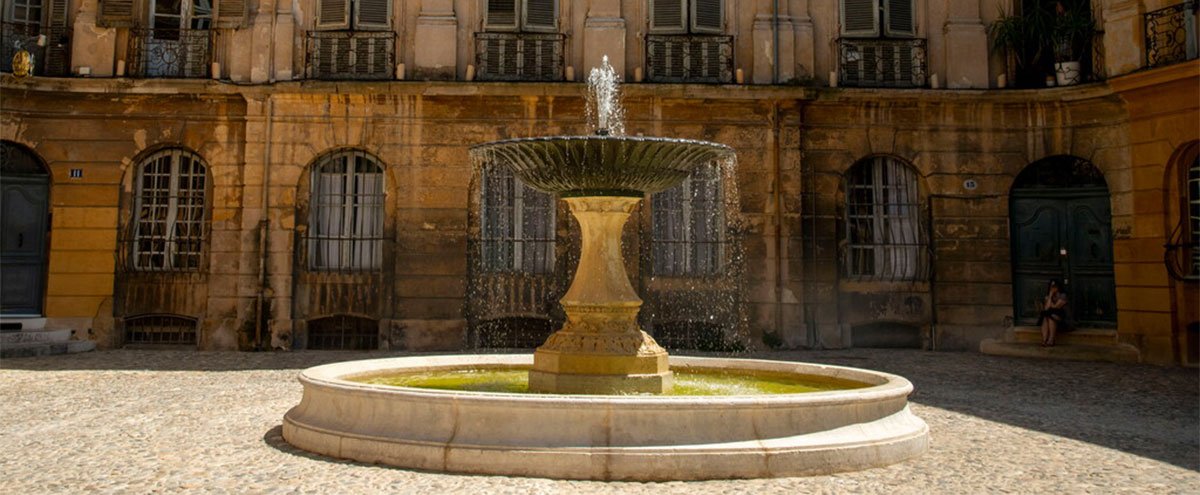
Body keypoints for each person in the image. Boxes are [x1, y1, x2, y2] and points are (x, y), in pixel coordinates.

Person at [1038, 279, 1069, 346]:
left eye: (1054, 286)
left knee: (1050, 316)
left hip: (1063, 318)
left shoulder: (1063, 295)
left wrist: (1049, 303)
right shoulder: (1048, 296)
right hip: (1051, 315)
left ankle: (1051, 340)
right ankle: (1044, 340)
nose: (1053, 288)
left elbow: (1056, 307)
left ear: (1058, 286)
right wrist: (1050, 296)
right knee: (1046, 317)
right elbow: (1046, 308)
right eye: (1051, 286)